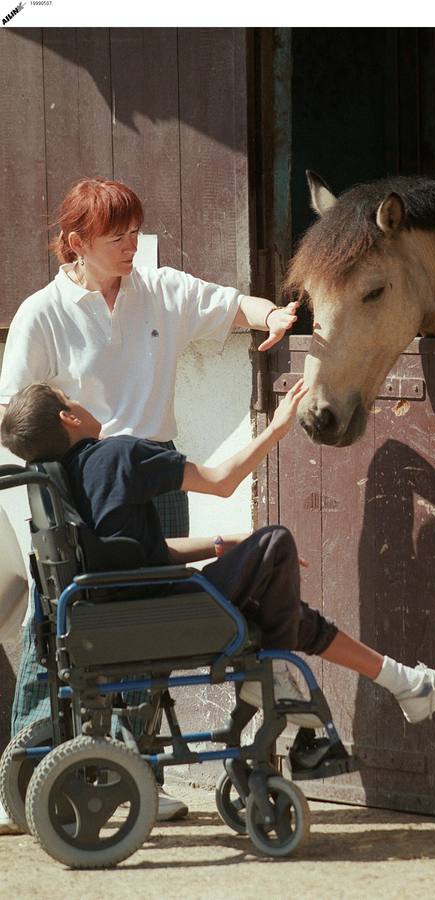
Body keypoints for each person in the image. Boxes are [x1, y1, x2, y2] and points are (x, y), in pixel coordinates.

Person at [0, 177, 299, 829]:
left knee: (149, 631)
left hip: (153, 473)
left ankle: (139, 774)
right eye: (118, 236)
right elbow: (13, 417)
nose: (134, 243)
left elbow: (230, 307)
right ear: (76, 244)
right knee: (49, 625)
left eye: (136, 230)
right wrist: (42, 520)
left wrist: (272, 315)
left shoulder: (160, 289)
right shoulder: (40, 314)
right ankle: (21, 775)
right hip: (70, 486)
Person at [1, 380, 435, 756]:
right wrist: (277, 427)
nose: (80, 402)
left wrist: (223, 542)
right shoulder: (121, 453)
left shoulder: (55, 486)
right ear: (68, 416)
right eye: (70, 398)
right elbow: (223, 481)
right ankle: (269, 679)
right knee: (276, 543)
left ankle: (406, 684)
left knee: (284, 610)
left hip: (119, 614)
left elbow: (137, 557)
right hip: (164, 614)